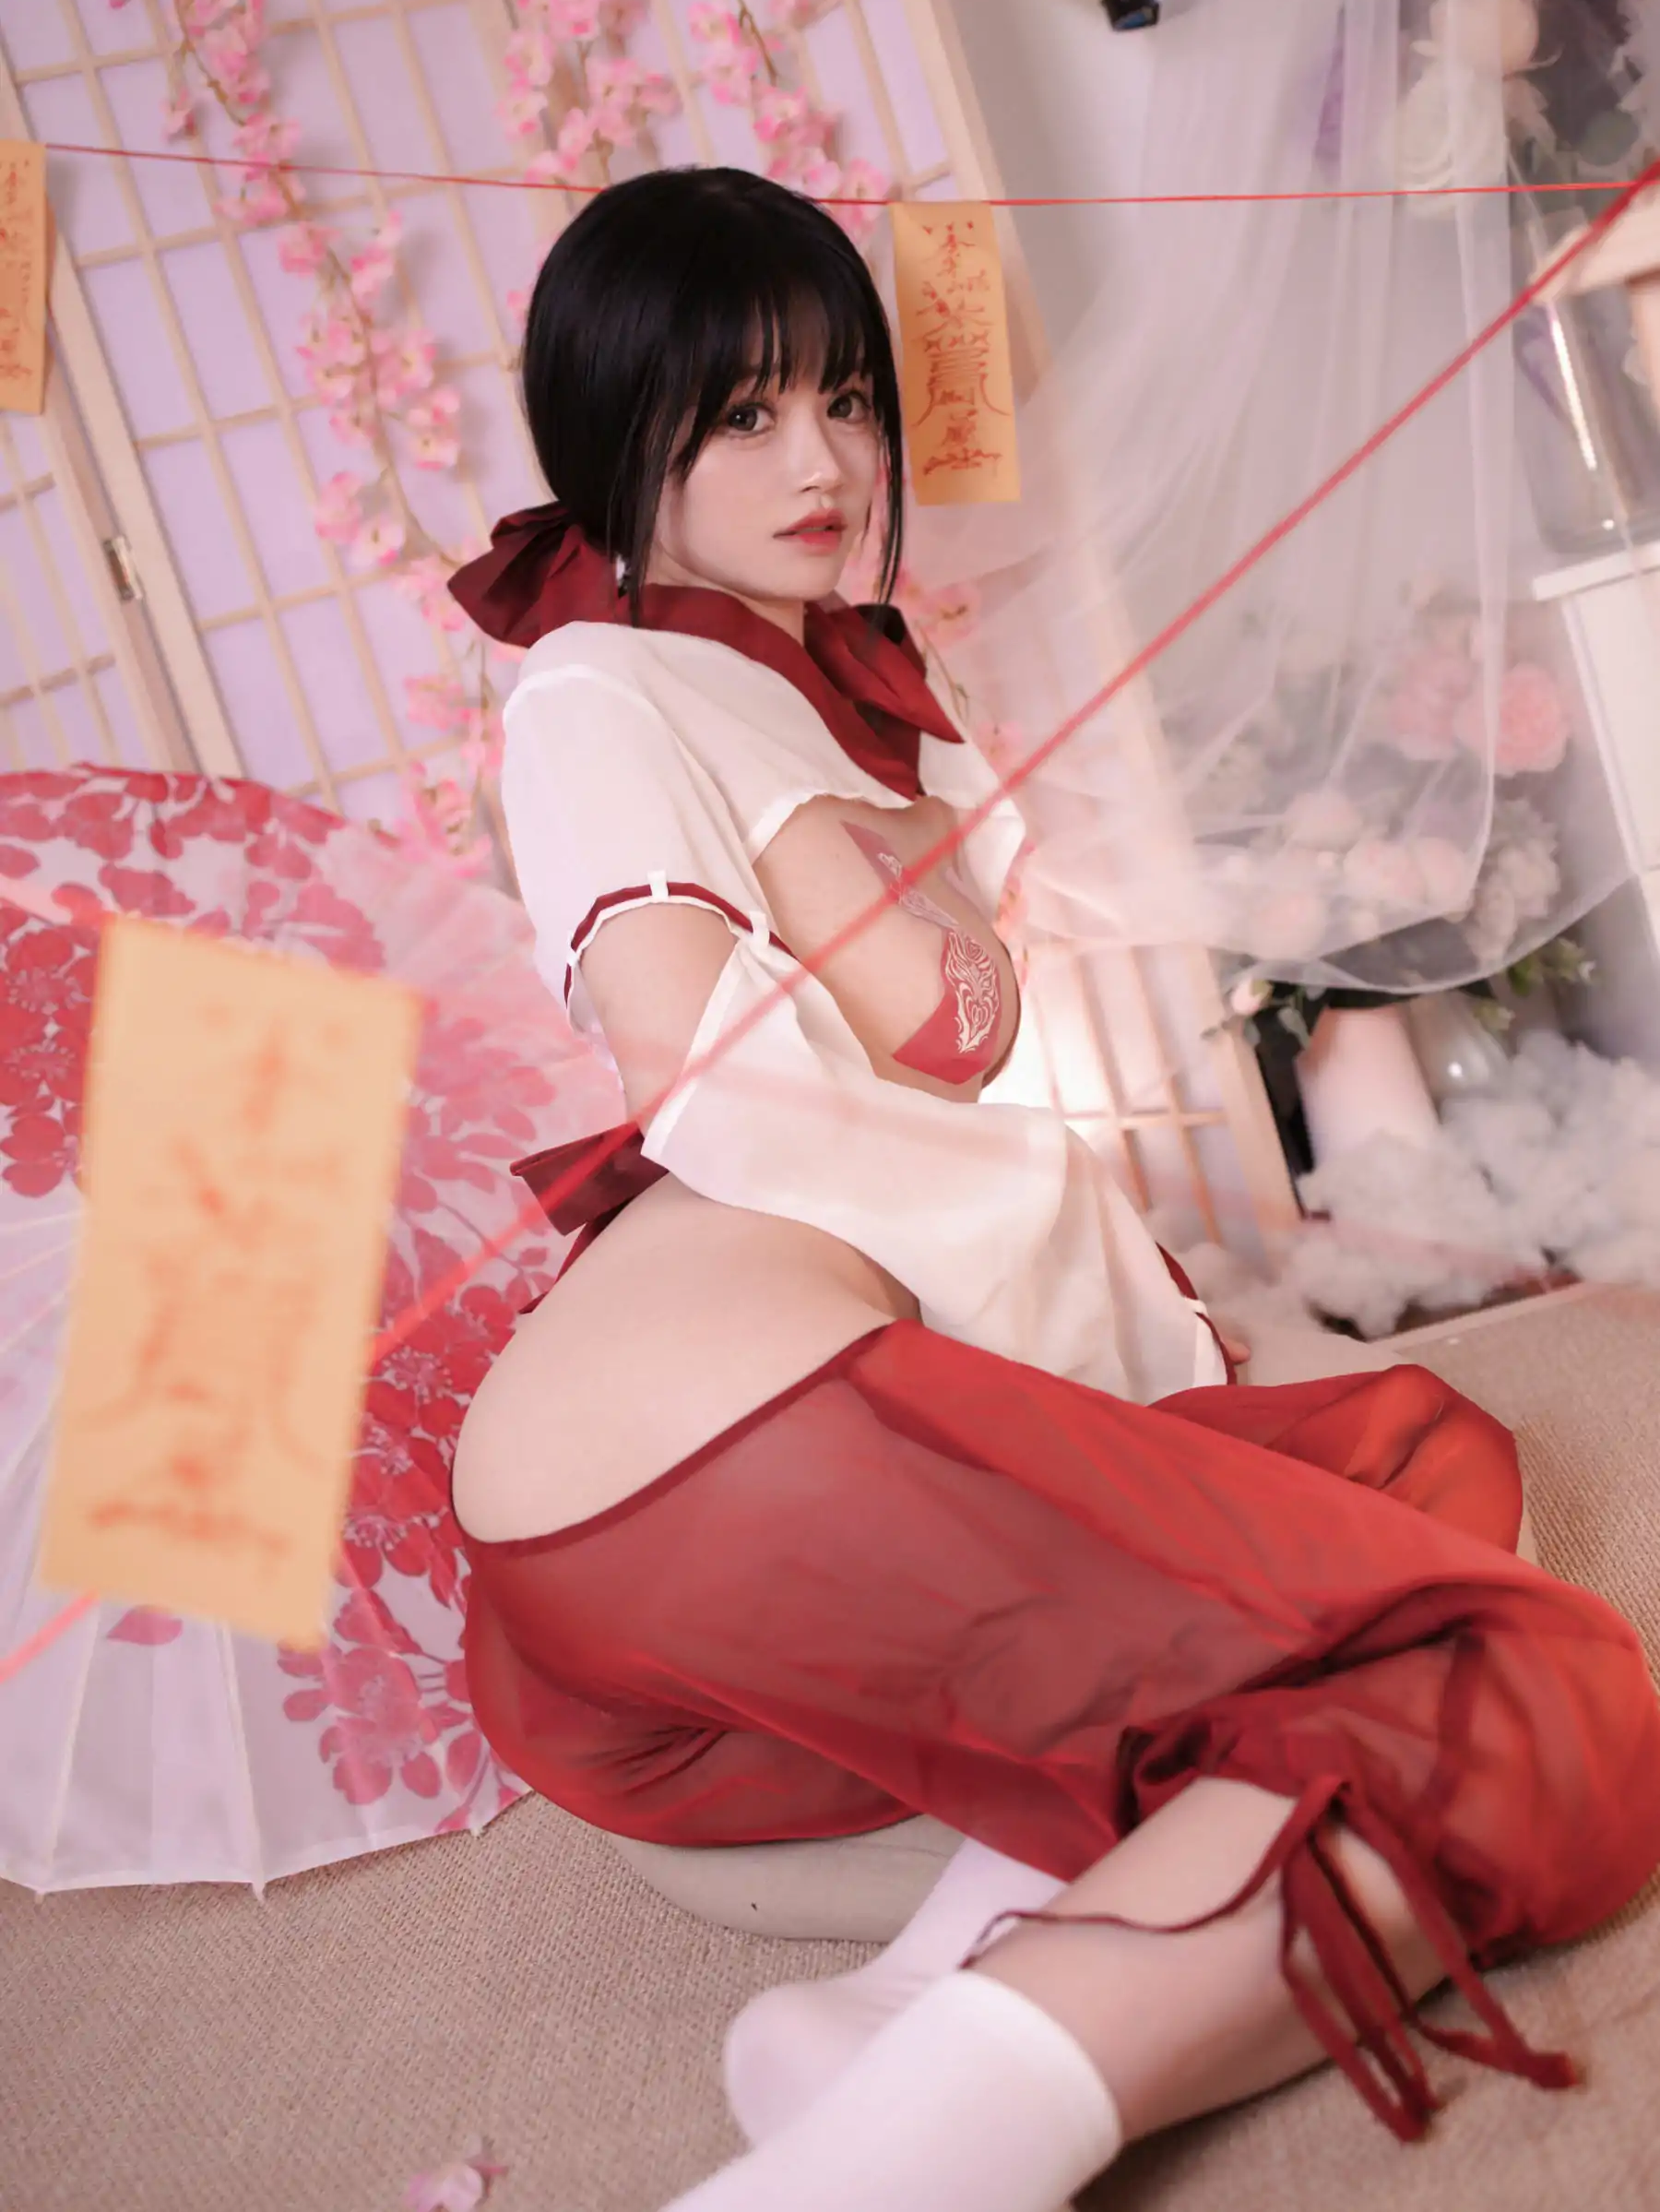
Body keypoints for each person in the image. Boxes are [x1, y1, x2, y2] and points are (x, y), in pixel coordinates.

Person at [446, 166, 1660, 2212]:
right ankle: (888, 2171)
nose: (825, 461)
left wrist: (869, 844)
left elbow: (963, 1036)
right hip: (688, 1448)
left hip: (765, 1431)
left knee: (1418, 1456)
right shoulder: (603, 686)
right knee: (1538, 1691)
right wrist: (836, 862)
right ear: (614, 438)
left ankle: (925, 2009)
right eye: (742, 416)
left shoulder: (838, 698)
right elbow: (701, 1062)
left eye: (844, 397)